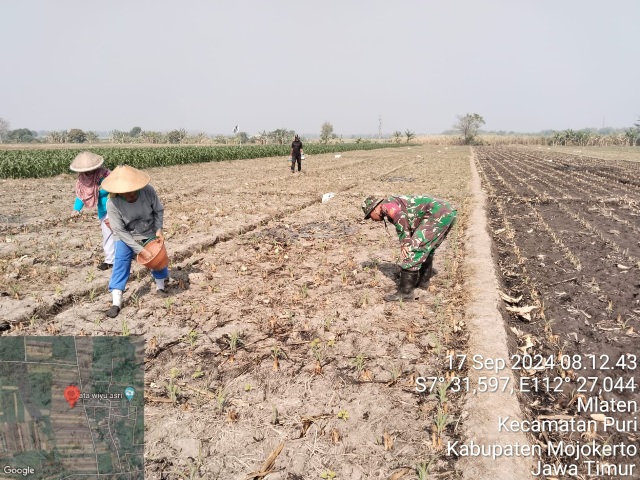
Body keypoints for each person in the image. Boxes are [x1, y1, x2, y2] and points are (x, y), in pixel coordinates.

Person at [100, 165, 169, 318]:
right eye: (125, 193)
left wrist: (158, 230)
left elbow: (158, 210)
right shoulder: (112, 203)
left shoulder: (148, 191)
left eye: (132, 191)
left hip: (147, 230)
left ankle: (161, 287)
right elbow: (119, 231)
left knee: (157, 257)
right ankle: (116, 302)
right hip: (126, 235)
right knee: (121, 261)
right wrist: (140, 250)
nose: (130, 195)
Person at [362, 194, 457, 302]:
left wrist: (405, 243)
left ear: (374, 209)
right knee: (426, 249)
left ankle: (405, 292)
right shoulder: (392, 203)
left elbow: (400, 218)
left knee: (412, 250)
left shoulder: (386, 206)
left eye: (369, 216)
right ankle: (423, 283)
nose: (372, 220)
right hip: (446, 212)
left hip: (438, 214)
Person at [70, 151, 114, 270]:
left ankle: (128, 254)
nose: (87, 172)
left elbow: (113, 186)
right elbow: (82, 195)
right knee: (108, 234)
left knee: (121, 231)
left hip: (115, 205)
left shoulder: (105, 174)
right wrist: (76, 209)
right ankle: (110, 260)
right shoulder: (82, 180)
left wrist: (99, 191)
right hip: (103, 209)